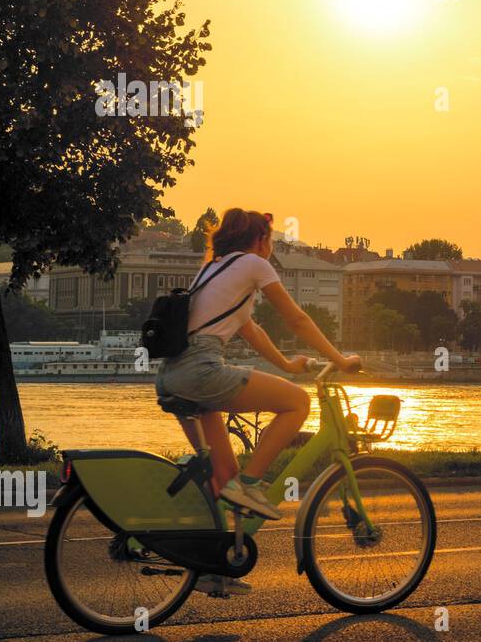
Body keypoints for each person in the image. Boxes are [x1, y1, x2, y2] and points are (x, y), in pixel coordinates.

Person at [154, 209, 361, 588]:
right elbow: (297, 319)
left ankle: (212, 568)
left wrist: (286, 363)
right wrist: (340, 359)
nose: (271, 248)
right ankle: (252, 484)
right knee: (298, 404)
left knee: (223, 480)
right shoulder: (253, 264)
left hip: (171, 376)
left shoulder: (214, 271)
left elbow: (252, 330)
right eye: (271, 241)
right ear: (260, 240)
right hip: (200, 371)